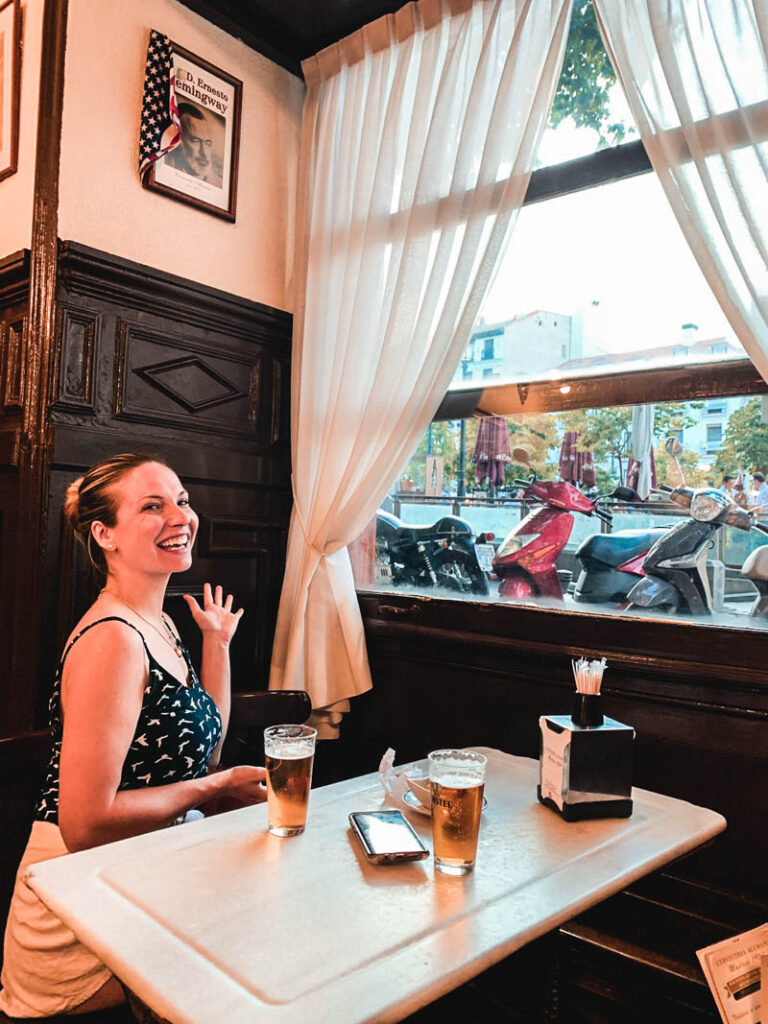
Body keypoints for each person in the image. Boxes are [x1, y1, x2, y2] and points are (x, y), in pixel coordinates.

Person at [0, 453, 266, 1018]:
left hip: (139, 883)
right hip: (78, 919)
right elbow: (85, 823)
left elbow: (204, 751)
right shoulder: (113, 640)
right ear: (105, 535)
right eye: (152, 506)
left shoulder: (161, 623)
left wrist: (216, 645)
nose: (180, 516)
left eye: (182, 500)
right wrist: (211, 790)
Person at [164, 102, 224, 187]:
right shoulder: (164, 172)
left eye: (207, 143)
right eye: (196, 141)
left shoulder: (219, 185)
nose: (204, 153)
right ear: (177, 141)